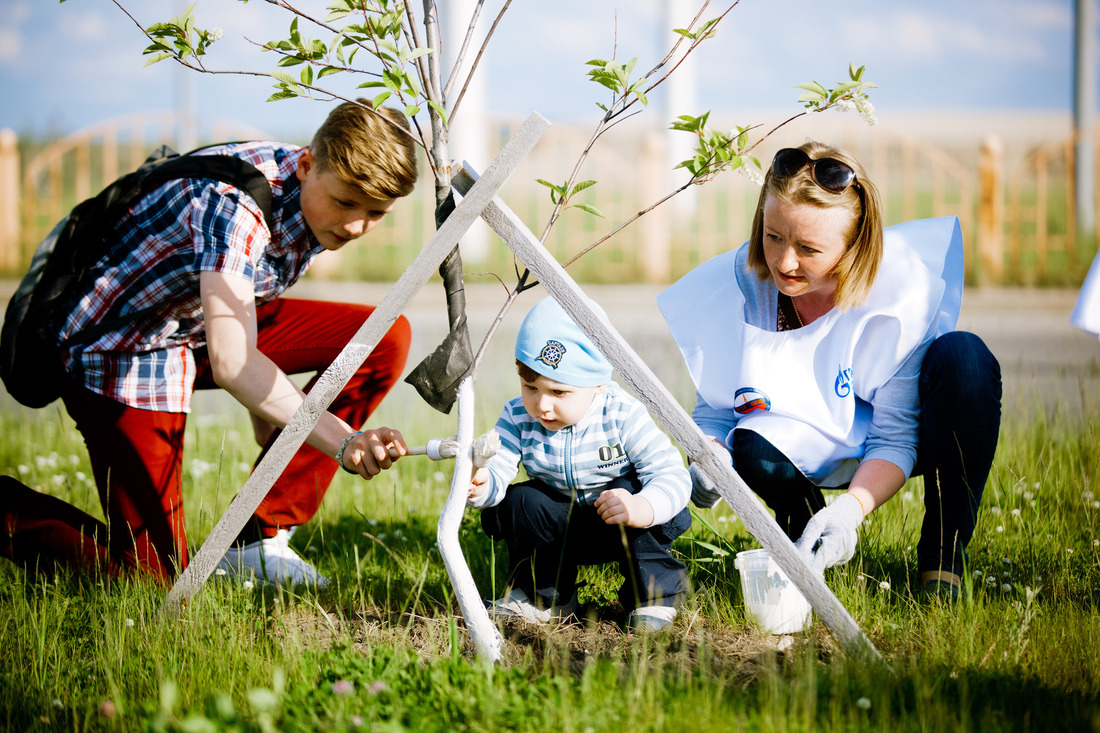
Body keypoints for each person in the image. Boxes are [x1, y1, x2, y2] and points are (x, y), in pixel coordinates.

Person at [0, 99, 417, 587]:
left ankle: (258, 537)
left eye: (375, 213)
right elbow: (235, 362)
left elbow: (247, 308)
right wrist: (344, 440)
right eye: (346, 203)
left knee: (383, 337)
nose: (355, 226)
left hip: (194, 325)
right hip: (124, 347)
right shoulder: (233, 206)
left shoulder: (313, 193)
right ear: (306, 164)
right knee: (154, 579)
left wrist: (274, 420)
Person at [659, 141, 1002, 599]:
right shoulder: (744, 284)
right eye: (773, 236)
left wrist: (851, 511)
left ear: (853, 247)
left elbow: (893, 437)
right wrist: (709, 457)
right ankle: (802, 534)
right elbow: (718, 409)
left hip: (893, 436)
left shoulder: (900, 294)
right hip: (800, 430)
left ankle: (942, 560)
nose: (784, 262)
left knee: (967, 359)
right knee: (748, 444)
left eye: (809, 248)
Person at [467, 297, 692, 631]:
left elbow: (670, 472)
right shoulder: (517, 416)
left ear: (598, 384)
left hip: (620, 521)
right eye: (531, 386)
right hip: (560, 527)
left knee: (633, 489)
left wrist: (642, 506)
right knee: (521, 501)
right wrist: (482, 480)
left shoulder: (621, 413)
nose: (542, 405)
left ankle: (653, 596)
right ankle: (547, 596)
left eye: (559, 392)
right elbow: (498, 470)